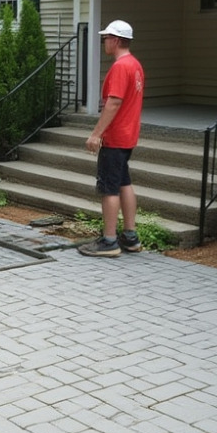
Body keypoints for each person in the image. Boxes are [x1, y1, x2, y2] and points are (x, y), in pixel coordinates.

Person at [79, 19, 145, 257]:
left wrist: (96, 134)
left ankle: (109, 241)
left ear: (116, 40)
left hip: (115, 137)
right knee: (123, 183)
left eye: (106, 38)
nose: (104, 42)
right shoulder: (135, 65)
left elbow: (114, 102)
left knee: (109, 187)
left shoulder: (120, 67)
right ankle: (130, 237)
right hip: (128, 135)